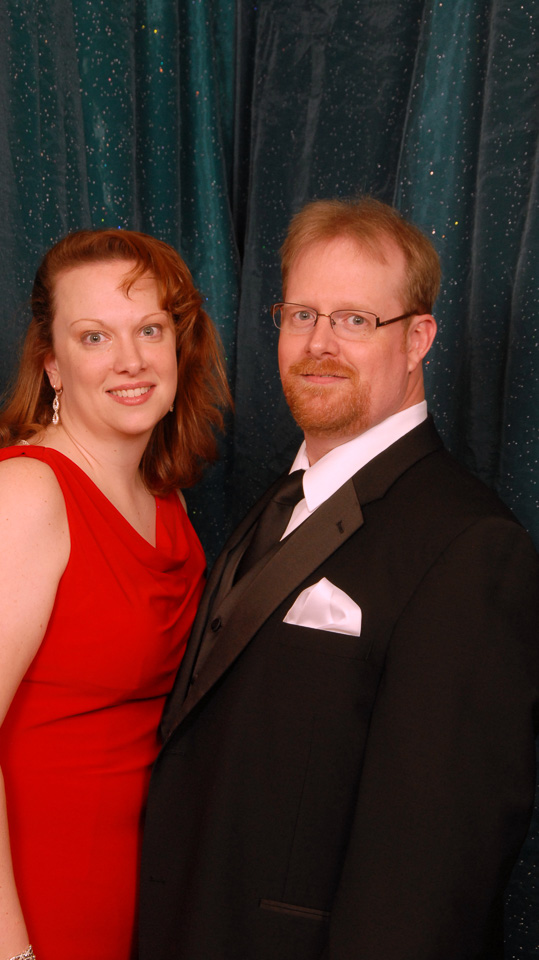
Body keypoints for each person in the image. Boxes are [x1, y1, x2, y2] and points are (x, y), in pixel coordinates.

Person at [139, 198, 539, 960]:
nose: (318, 344)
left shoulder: (471, 547)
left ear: (417, 339)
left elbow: (431, 875)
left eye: (355, 319)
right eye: (301, 315)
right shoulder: (279, 498)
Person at [0, 228, 229, 960]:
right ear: (52, 364)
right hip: (1, 922)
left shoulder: (162, 497)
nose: (130, 360)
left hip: (114, 906)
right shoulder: (25, 495)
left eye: (149, 330)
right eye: (94, 337)